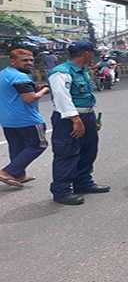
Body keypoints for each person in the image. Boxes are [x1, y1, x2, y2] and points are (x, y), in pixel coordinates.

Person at [48, 41, 110, 205]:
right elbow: (62, 98)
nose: (93, 56)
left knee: (88, 150)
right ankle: (62, 191)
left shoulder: (82, 71)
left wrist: (90, 119)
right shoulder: (61, 72)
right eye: (92, 52)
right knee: (67, 153)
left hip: (86, 116)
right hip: (68, 119)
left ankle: (83, 183)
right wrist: (76, 119)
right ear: (86, 53)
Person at [0, 47, 51, 187]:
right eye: (24, 60)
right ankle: (6, 172)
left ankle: (18, 175)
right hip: (27, 120)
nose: (29, 63)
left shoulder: (3, 74)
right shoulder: (20, 77)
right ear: (13, 61)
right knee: (39, 144)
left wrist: (34, 87)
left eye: (31, 60)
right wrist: (45, 90)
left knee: (17, 147)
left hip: (7, 120)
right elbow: (30, 98)